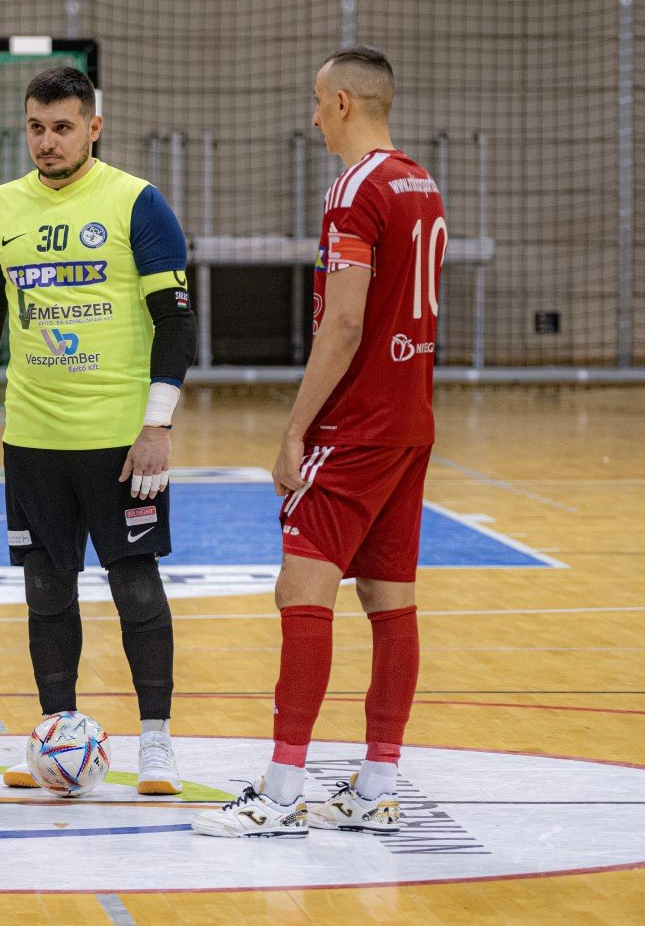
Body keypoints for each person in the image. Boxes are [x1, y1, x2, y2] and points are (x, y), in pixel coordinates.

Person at [192, 46, 446, 838]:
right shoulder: (421, 182)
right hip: (410, 417)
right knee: (389, 599)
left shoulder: (355, 189)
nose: (311, 116)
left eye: (315, 101)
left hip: (358, 422)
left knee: (300, 593)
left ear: (342, 102)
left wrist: (295, 431)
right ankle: (376, 786)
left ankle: (280, 790)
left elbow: (343, 321)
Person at [0, 66, 197, 794]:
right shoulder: (2, 206)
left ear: (93, 126)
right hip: (33, 440)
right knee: (46, 593)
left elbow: (175, 321)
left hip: (122, 441)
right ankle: (57, 736)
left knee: (137, 590)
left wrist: (158, 424)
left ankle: (156, 743)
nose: (47, 142)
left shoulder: (137, 203)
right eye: (35, 127)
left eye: (61, 127)